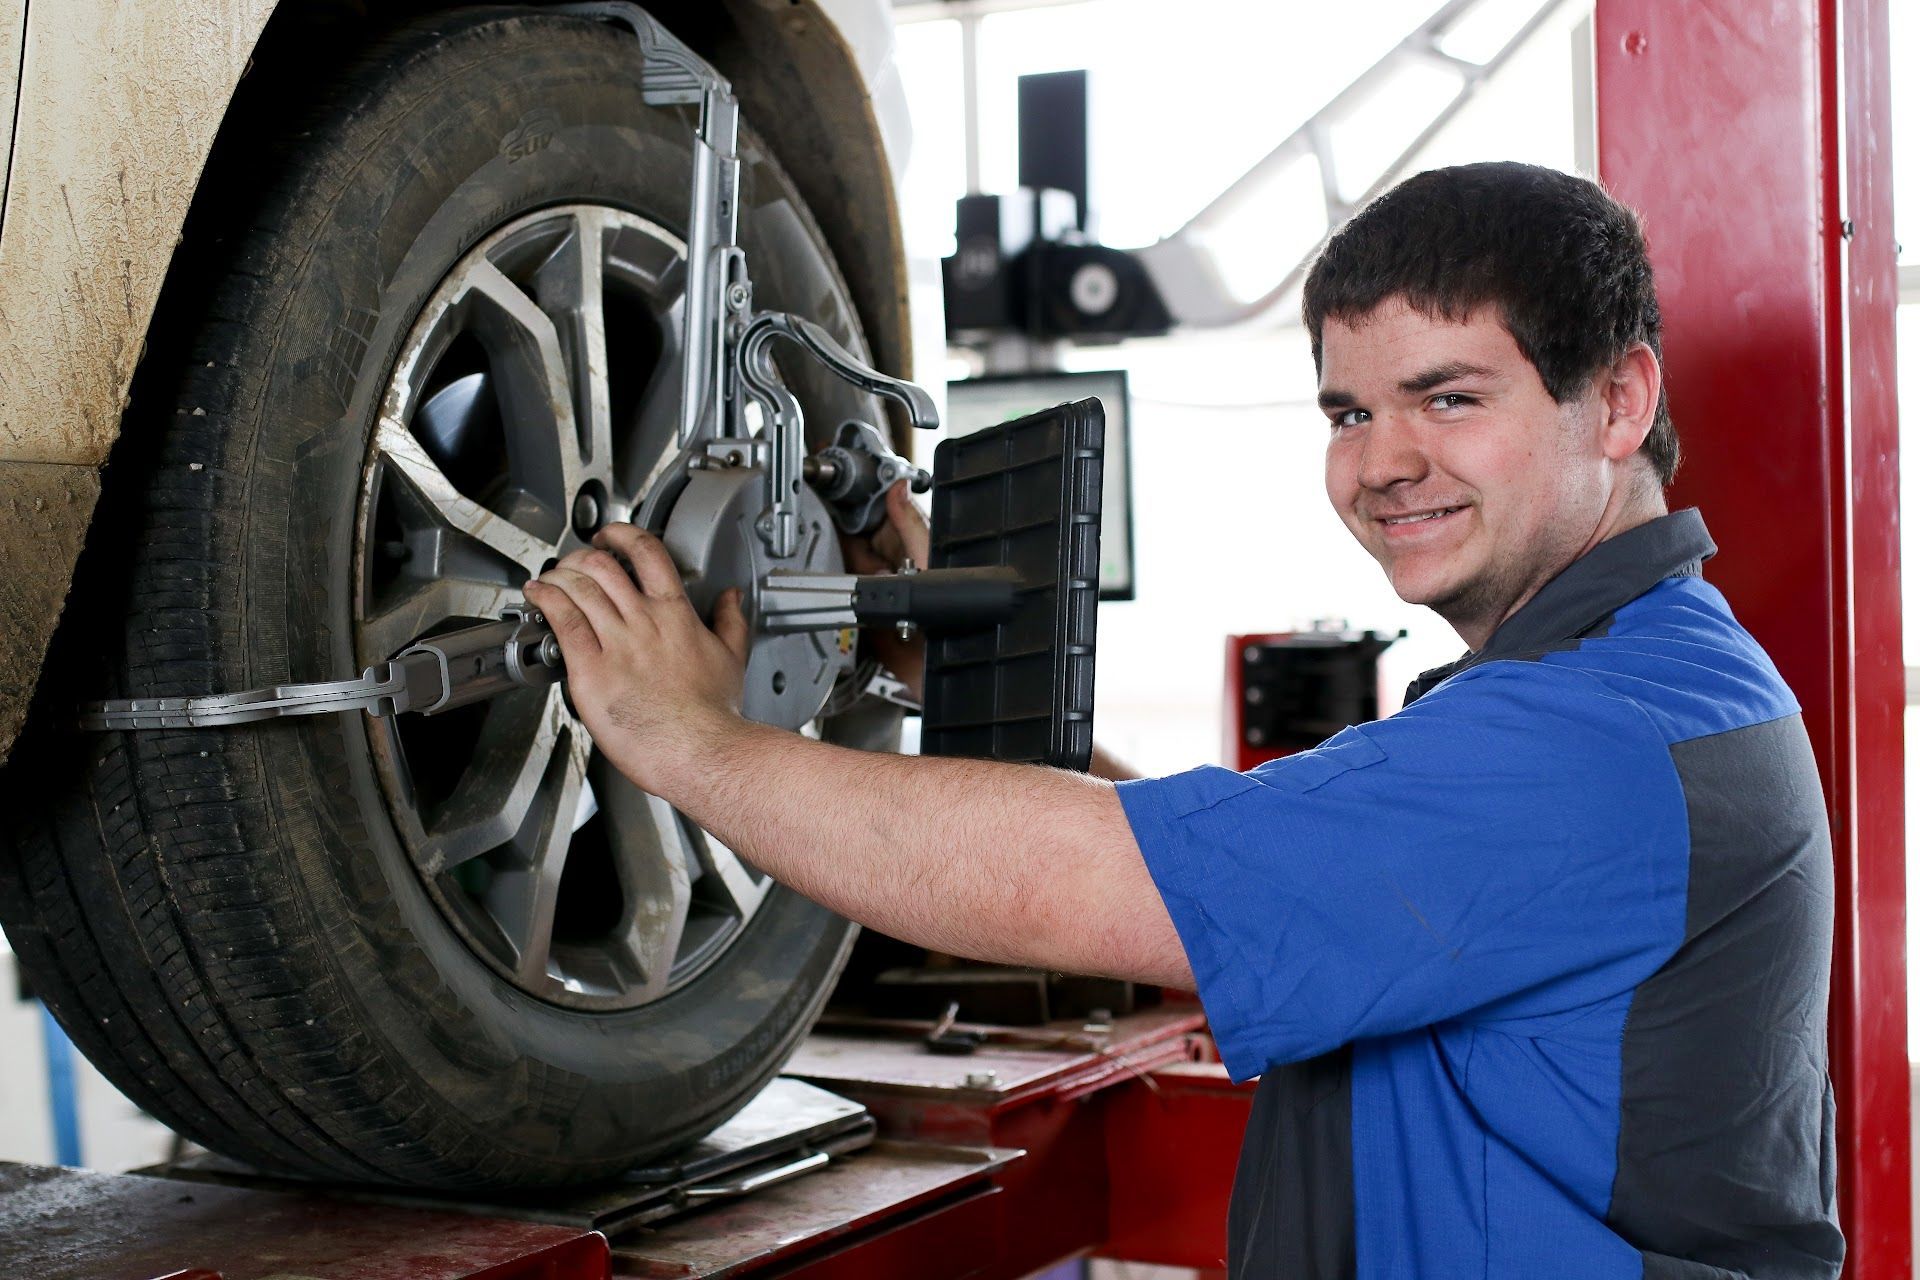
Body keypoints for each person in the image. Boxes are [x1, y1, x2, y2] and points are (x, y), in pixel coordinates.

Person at [522, 162, 1842, 1279]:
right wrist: (935, 687)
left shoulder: (1592, 742)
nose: (1381, 463)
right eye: (1349, 412)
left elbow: (1102, 885)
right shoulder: (1652, 685)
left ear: (1618, 401)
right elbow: (1245, 881)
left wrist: (683, 735)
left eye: (1449, 397)